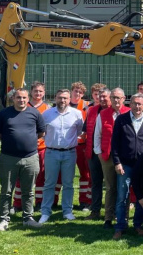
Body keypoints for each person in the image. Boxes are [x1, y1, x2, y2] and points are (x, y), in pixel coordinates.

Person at [0, 88, 46, 231]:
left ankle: (28, 218)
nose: (21, 100)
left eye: (24, 98)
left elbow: (41, 132)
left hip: (30, 158)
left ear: (28, 99)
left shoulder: (34, 113)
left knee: (28, 191)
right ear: (13, 99)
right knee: (6, 191)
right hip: (8, 158)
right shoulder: (4, 114)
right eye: (18, 98)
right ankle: (3, 219)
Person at [110, 92, 143, 239]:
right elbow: (115, 144)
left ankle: (137, 225)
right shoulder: (121, 120)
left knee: (141, 197)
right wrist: (117, 162)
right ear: (130, 105)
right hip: (125, 165)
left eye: (140, 104)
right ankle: (120, 227)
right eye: (134, 103)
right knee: (122, 197)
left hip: (142, 168)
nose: (137, 106)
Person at [38, 89, 84, 223]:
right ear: (55, 98)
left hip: (70, 152)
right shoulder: (47, 114)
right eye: (59, 98)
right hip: (51, 152)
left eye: (65, 98)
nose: (62, 100)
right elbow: (42, 131)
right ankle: (45, 211)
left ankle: (67, 211)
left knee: (68, 183)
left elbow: (79, 131)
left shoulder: (77, 114)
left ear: (69, 100)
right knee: (49, 183)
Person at [13, 81, 55, 211]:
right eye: (35, 91)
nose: (38, 93)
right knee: (21, 176)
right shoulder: (25, 106)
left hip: (42, 147)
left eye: (40, 91)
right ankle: (18, 203)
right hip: (25, 148)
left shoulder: (48, 108)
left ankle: (39, 201)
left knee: (41, 175)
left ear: (44, 93)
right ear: (31, 92)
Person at [92, 87, 130, 228]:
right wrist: (99, 153)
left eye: (118, 97)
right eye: (113, 97)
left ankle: (123, 217)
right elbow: (98, 134)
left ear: (124, 98)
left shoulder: (129, 112)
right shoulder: (103, 114)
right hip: (107, 157)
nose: (116, 100)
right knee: (110, 188)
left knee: (124, 189)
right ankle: (108, 217)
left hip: (124, 158)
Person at [84, 85, 109, 221]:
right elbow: (86, 130)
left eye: (105, 96)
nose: (102, 99)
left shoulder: (115, 111)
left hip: (110, 154)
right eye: (100, 96)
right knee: (96, 183)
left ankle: (111, 212)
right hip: (93, 153)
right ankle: (95, 211)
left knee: (112, 185)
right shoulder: (92, 111)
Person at [70, 81, 92, 209]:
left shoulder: (87, 106)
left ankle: (85, 201)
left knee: (85, 173)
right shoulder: (64, 103)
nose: (77, 93)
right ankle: (54, 201)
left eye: (80, 92)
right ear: (71, 91)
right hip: (67, 144)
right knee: (61, 175)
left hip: (81, 144)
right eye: (75, 91)